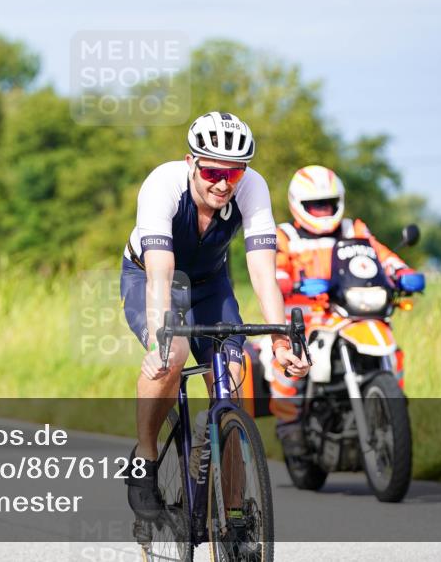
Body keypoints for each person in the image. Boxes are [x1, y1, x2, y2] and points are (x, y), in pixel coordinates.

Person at [119, 111, 310, 519]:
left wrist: (279, 341)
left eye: (234, 174)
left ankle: (236, 517)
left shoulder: (252, 188)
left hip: (209, 283)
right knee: (172, 355)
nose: (223, 184)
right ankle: (145, 459)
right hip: (151, 276)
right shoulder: (162, 185)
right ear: (192, 163)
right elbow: (159, 275)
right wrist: (159, 341)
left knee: (233, 377)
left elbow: (262, 273)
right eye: (212, 173)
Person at [268, 164, 423, 456]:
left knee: (393, 350)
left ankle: (391, 407)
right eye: (315, 205)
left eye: (328, 203)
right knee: (288, 362)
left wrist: (402, 271)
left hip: (351, 312)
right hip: (306, 318)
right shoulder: (284, 235)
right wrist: (289, 280)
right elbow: (276, 269)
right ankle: (289, 424)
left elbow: (380, 254)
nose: (323, 210)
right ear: (298, 204)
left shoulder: (355, 229)